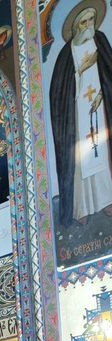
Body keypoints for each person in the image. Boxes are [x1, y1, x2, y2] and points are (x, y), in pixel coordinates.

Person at [50, 4, 112, 226]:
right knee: (81, 158)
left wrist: (103, 94)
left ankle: (107, 198)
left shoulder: (100, 41)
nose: (87, 26)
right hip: (77, 113)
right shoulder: (67, 53)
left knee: (102, 151)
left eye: (91, 21)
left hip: (100, 108)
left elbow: (109, 71)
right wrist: (80, 72)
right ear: (76, 26)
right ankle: (82, 207)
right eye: (83, 22)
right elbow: (59, 91)